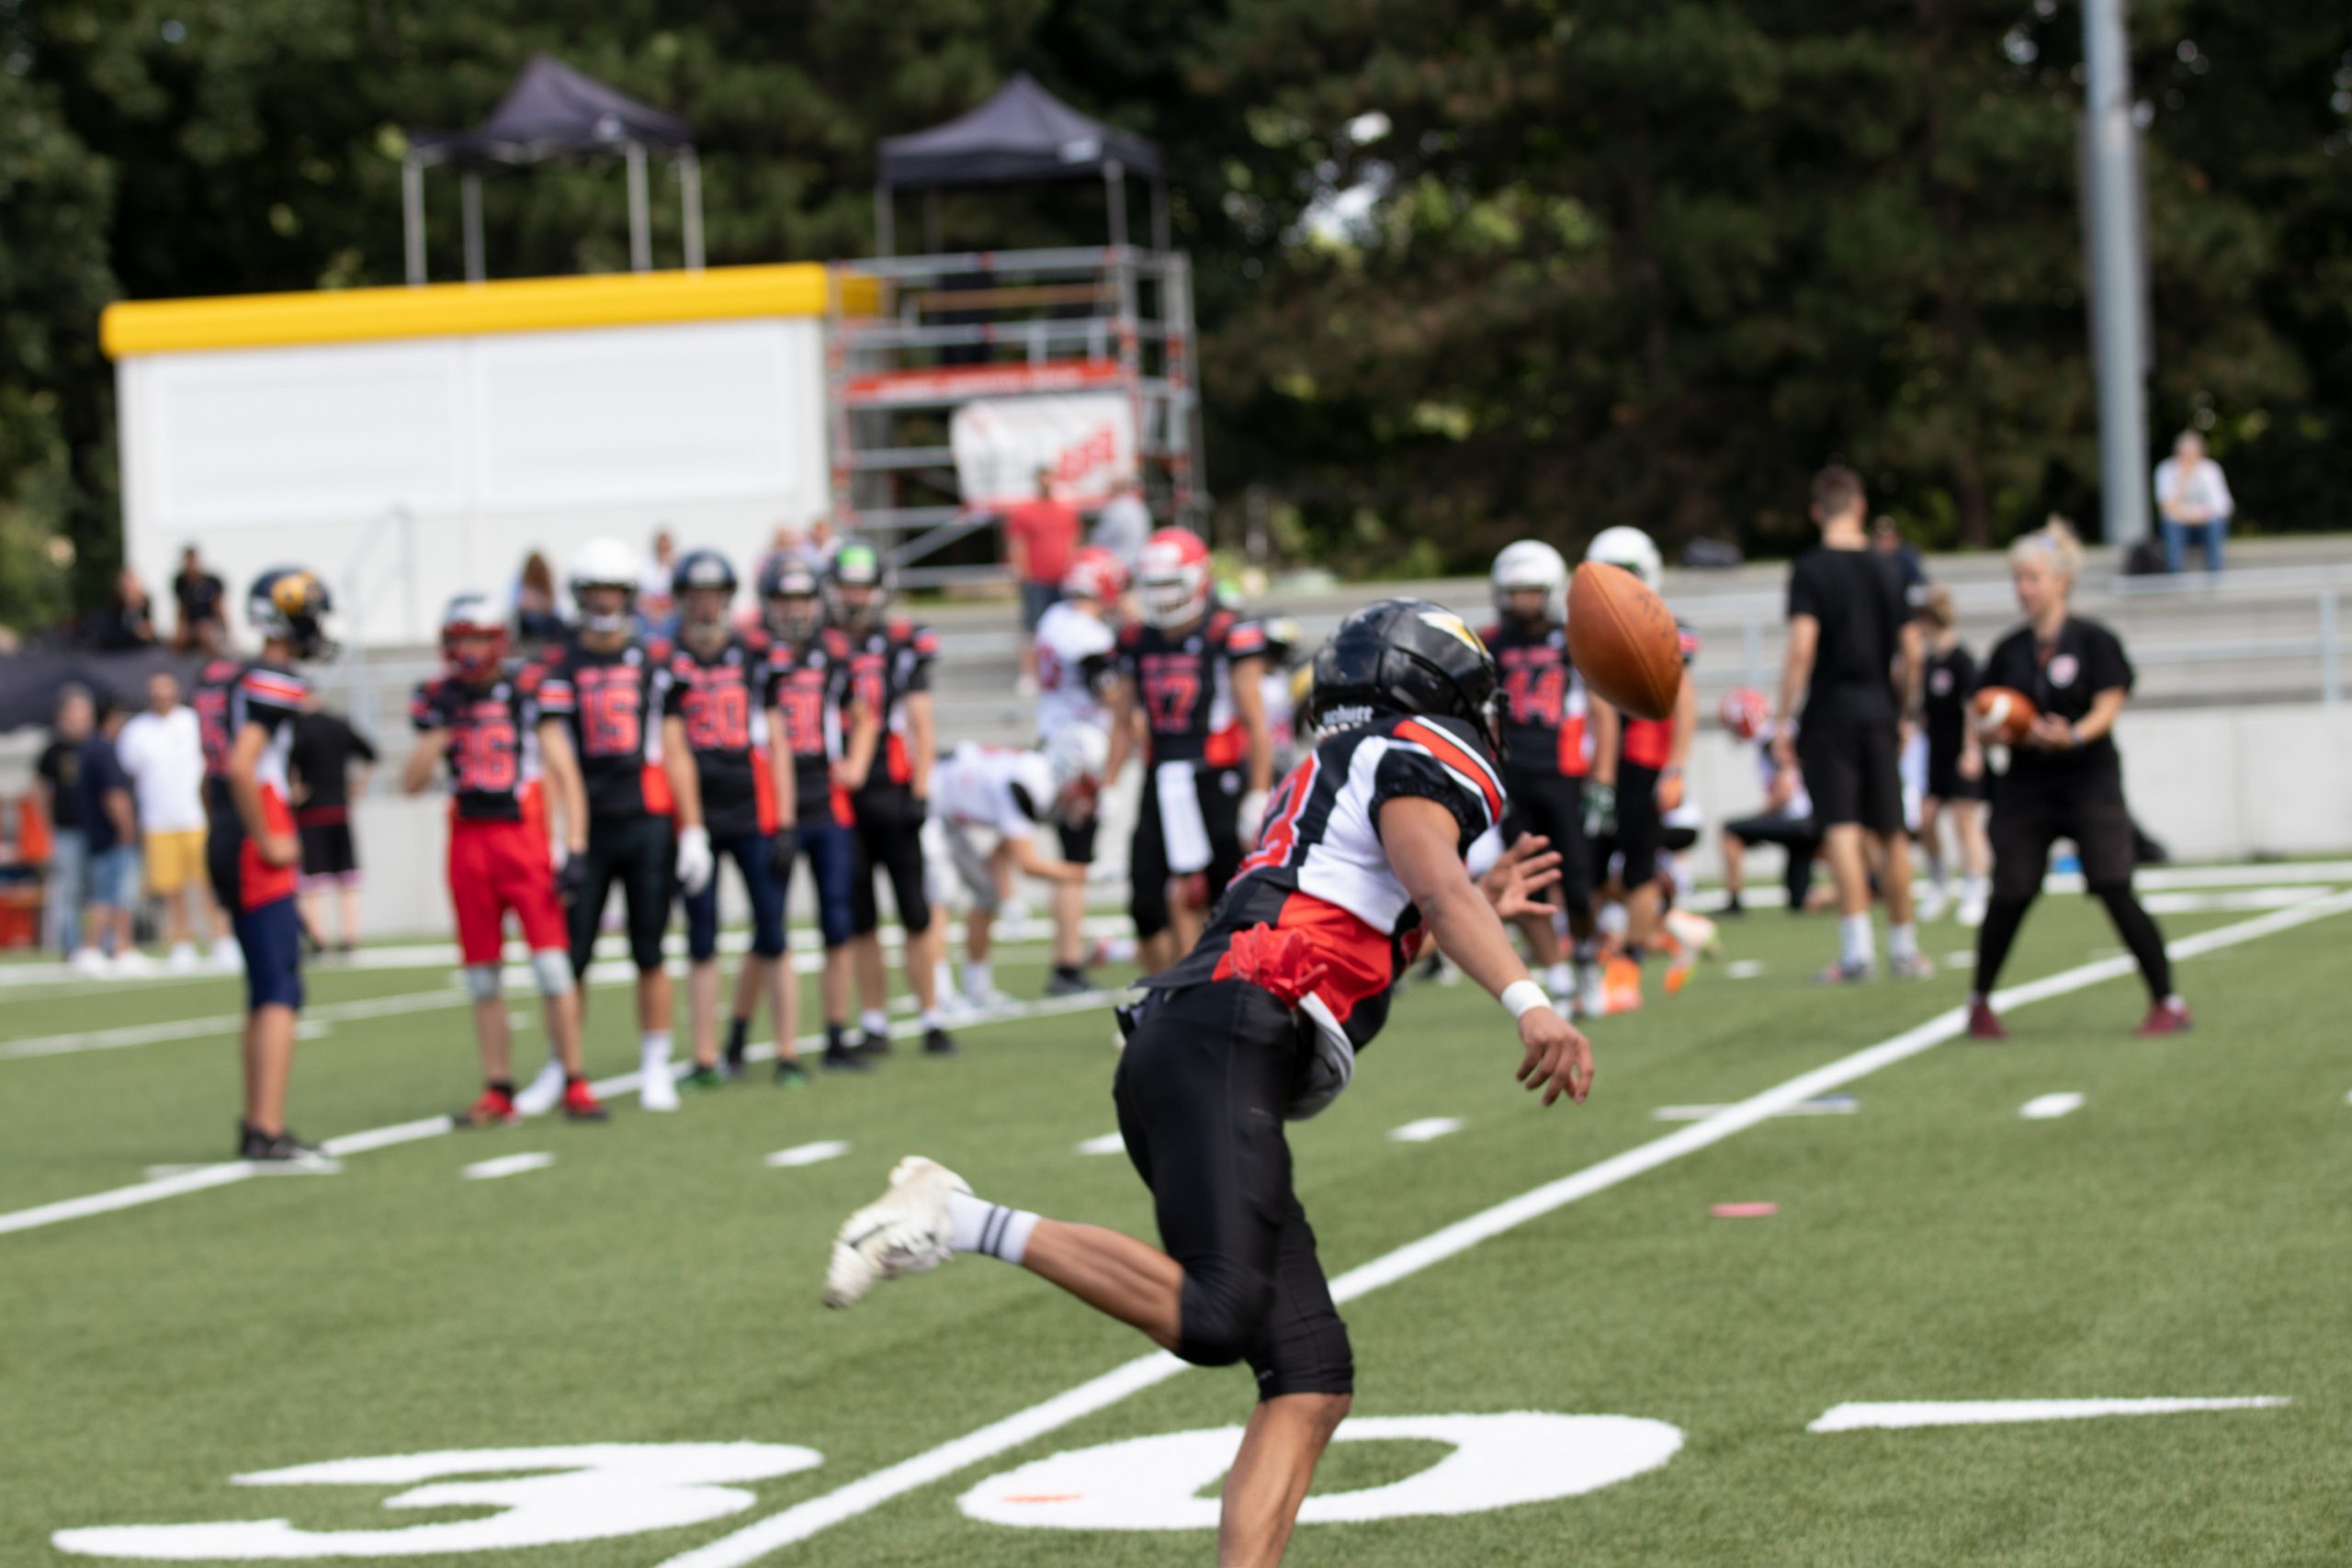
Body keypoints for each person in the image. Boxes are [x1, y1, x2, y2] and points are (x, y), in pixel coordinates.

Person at [820, 600, 1594, 1568]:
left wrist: (1474, 904)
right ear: (1436, 693)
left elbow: (1356, 918)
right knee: (1219, 1312)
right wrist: (1529, 1000)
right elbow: (1430, 888)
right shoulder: (1418, 754)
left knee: (1308, 1376)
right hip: (1228, 1032)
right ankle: (958, 1217)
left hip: (1205, 1034)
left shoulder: (1335, 768)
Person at [1967, 521, 2189, 1038]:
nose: (2024, 589)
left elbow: (2108, 707)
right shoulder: (2009, 650)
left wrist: (2071, 735)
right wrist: (1996, 735)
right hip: (2027, 782)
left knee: (2114, 884)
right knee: (2011, 891)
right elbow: (1981, 715)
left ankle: (2167, 1000)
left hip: (2088, 777)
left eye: (2033, 578)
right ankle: (1979, 1002)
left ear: (2062, 582)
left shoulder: (2094, 640)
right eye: (2018, 579)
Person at [404, 595, 607, 1125]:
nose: (468, 651)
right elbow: (411, 782)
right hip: (468, 842)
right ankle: (497, 1087)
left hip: (523, 838)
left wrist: (574, 844)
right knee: (481, 975)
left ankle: (575, 1078)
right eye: (460, 640)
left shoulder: (528, 689)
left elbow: (565, 771)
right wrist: (440, 731)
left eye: (477, 638)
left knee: (553, 968)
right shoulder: (438, 698)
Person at [533, 537, 715, 1113]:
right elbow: (553, 762)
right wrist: (558, 836)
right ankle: (563, 1065)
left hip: (646, 821)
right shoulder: (560, 666)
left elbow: (676, 751)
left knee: (649, 950)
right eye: (595, 591)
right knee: (572, 956)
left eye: (613, 591)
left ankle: (655, 1064)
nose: (604, 602)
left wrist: (692, 828)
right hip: (587, 828)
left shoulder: (656, 663)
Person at [193, 567, 336, 1166]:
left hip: (225, 829)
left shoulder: (222, 675)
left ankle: (257, 1122)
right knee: (280, 986)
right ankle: (268, 1128)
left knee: (262, 986)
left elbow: (213, 774)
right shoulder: (272, 678)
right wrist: (268, 836)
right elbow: (242, 765)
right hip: (254, 833)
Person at [1773, 465, 1929, 982]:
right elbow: (1913, 652)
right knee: (1891, 831)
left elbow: (1802, 647)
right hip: (1879, 709)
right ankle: (1905, 947)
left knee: (1841, 827)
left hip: (1830, 712)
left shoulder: (1810, 569)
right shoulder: (1892, 568)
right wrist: (1904, 711)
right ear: (1860, 507)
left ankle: (1857, 951)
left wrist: (1782, 717)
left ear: (1817, 511)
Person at [662, 548, 809, 1090]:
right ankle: (704, 1057)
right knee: (701, 938)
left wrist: (786, 820)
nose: (706, 606)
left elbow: (778, 740)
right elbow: (671, 746)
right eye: (697, 596)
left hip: (752, 810)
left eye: (714, 596)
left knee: (773, 933)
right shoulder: (668, 660)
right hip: (699, 814)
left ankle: (788, 1051)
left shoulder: (755, 656)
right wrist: (689, 827)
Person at [1106, 527, 1274, 973]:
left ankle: (1232, 993)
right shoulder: (1135, 638)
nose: (1161, 596)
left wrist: (1258, 791)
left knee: (1228, 900)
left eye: (1169, 584)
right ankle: (1165, 997)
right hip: (1160, 774)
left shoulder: (1227, 631)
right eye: (1154, 585)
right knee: (1145, 903)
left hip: (1216, 774)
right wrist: (1108, 785)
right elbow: (1122, 720)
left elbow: (1255, 721)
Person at [831, 541, 957, 1058]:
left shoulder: (899, 644)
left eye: (861, 587)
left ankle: (931, 1015)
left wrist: (922, 789)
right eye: (847, 587)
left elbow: (922, 723)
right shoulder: (825, 646)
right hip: (845, 798)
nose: (854, 597)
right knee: (862, 917)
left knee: (915, 913)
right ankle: (875, 1020)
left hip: (895, 791)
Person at [1481, 540, 1611, 1014]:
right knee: (1524, 884)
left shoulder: (1573, 640)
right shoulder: (1490, 644)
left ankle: (1586, 960)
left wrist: (1603, 781)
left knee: (1578, 883)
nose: (1523, 603)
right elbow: (1480, 717)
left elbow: (1602, 711)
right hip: (1514, 776)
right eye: (1515, 593)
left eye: (1532, 593)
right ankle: (1557, 977)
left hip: (1565, 775)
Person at [762, 557, 878, 1075]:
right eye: (785, 599)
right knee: (769, 925)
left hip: (826, 800)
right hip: (773, 804)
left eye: (802, 599)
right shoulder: (756, 654)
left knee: (837, 920)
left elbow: (864, 716)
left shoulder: (833, 653)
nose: (794, 610)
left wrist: (855, 766)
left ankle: (835, 1033)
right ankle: (748, 1037)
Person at [1583, 526, 1697, 1014]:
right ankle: (1659, 931)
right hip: (1594, 765)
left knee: (1638, 865)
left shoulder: (1665, 627)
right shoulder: (1587, 628)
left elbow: (1683, 701)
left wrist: (1676, 767)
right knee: (1587, 867)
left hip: (1645, 760)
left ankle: (1629, 963)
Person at [926, 735, 1101, 1010]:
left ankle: (976, 986)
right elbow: (1028, 865)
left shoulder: (1039, 780)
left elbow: (1000, 854)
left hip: (953, 817)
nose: (1085, 795)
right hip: (930, 806)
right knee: (940, 896)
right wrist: (1088, 874)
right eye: (1085, 784)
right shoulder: (1030, 784)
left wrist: (1008, 897)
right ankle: (939, 994)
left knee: (987, 893)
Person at [1032, 546, 1127, 994]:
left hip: (1054, 742)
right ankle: (1067, 964)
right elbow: (1111, 696)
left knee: (1069, 857)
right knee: (1075, 861)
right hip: (1079, 753)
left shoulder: (1054, 618)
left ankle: (1067, 958)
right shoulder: (1089, 636)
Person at [116, 671, 226, 971]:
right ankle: (182, 942)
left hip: (196, 816)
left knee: (208, 884)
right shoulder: (136, 730)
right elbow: (130, 772)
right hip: (158, 820)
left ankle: (222, 939)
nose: (161, 698)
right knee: (170, 887)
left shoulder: (193, 721)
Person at [1916, 586, 1989, 926]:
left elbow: (1972, 707)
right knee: (1926, 820)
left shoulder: (1961, 659)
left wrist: (1972, 749)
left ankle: (1976, 887)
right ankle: (1939, 883)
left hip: (1960, 752)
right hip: (1936, 754)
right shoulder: (1929, 662)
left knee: (1964, 821)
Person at [1716, 686, 1823, 917]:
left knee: (1730, 831)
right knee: (1799, 902)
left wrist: (1762, 815)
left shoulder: (1771, 740)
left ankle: (1734, 902)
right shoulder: (1783, 732)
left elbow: (1785, 791)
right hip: (1809, 818)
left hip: (1799, 820)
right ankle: (1852, 891)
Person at [289, 704, 378, 953]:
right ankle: (349, 936)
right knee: (347, 877)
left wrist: (295, 790)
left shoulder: (298, 727)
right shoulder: (339, 724)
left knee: (312, 880)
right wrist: (359, 785)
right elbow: (371, 754)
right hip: (339, 810)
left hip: (311, 813)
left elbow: (289, 766)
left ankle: (318, 938)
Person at [74, 694, 142, 975]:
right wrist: (127, 829)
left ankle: (104, 946)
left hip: (98, 834)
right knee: (114, 893)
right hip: (111, 835)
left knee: (107, 892)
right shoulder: (103, 750)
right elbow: (115, 796)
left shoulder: (92, 748)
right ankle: (112, 946)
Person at [1003, 468, 1083, 696]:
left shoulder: (1065, 511)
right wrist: (1022, 573)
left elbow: (1074, 542)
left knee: (1065, 627)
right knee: (1033, 629)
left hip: (1062, 578)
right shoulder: (1025, 512)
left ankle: (1064, 673)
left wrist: (1074, 572)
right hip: (1037, 579)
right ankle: (1029, 675)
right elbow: (1017, 543)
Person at [35, 686, 94, 960]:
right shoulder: (54, 750)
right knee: (68, 889)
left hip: (97, 831)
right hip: (67, 829)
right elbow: (39, 788)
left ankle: (98, 944)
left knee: (97, 890)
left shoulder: (96, 747)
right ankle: (71, 945)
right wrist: (47, 823)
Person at [2154, 430, 2233, 575]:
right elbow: (2166, 508)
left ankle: (2215, 570)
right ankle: (2174, 571)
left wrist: (2197, 516)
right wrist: (2183, 480)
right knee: (2172, 524)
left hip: (2205, 525)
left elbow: (2223, 506)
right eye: (2185, 453)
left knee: (2215, 524)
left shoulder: (2210, 469)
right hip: (2180, 527)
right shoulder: (2166, 470)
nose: (2189, 457)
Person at [171, 546, 228, 655]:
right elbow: (181, 608)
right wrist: (180, 630)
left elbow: (219, 608)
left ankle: (214, 660)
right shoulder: (181, 582)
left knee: (204, 632)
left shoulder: (212, 581)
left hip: (210, 623)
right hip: (191, 624)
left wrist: (226, 631)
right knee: (180, 639)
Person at [1091, 474, 1152, 573]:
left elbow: (1100, 539)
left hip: (1119, 566)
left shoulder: (1115, 508)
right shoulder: (1139, 506)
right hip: (1140, 563)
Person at [512, 549, 566, 654]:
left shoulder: (550, 583)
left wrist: (542, 603)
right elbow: (515, 604)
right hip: (527, 629)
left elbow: (557, 608)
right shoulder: (519, 582)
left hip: (547, 628)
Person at [89, 569, 157, 650]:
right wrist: (135, 634)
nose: (131, 591)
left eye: (133, 587)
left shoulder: (144, 606)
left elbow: (150, 635)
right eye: (128, 588)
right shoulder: (114, 607)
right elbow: (110, 636)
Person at [639, 527, 680, 635]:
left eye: (666, 545)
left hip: (671, 614)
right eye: (661, 544)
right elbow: (641, 597)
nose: (663, 547)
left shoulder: (677, 567)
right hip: (648, 614)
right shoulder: (644, 567)